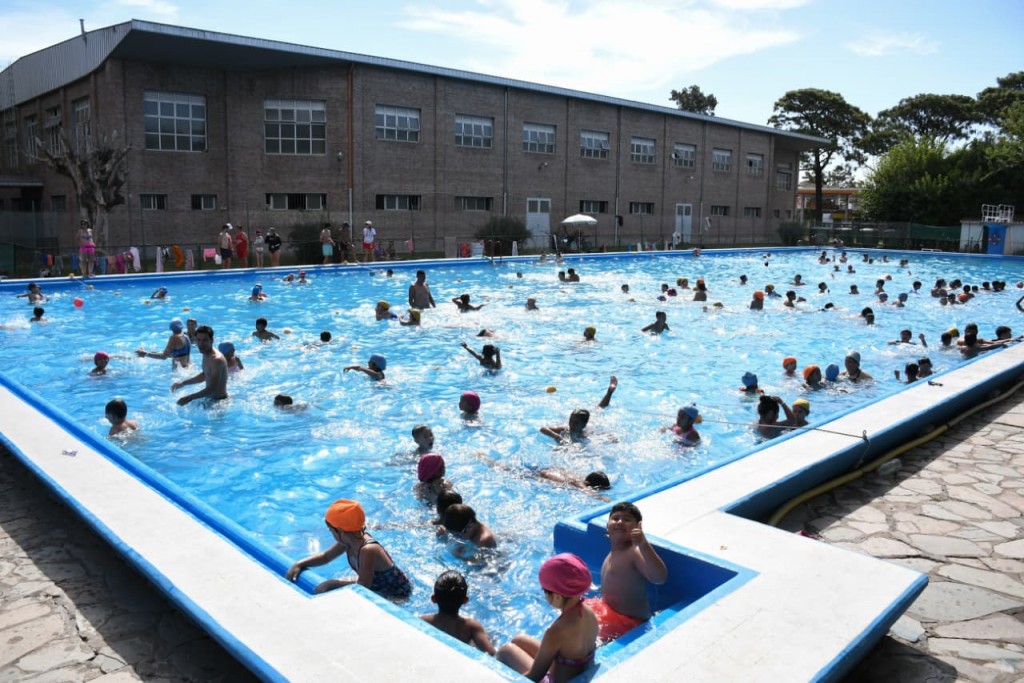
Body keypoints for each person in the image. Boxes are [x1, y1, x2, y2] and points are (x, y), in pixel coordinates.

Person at [497, 553, 598, 682]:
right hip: (577, 672)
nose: (545, 595)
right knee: (519, 639)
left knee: (505, 651)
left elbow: (534, 676)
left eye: (545, 591)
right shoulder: (589, 612)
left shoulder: (557, 631)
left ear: (557, 597)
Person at [285, 499, 412, 600]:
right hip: (373, 583)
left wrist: (333, 584)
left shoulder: (368, 549)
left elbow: (364, 586)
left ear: (340, 531)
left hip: (395, 591)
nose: (331, 534)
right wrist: (299, 564)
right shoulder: (347, 541)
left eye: (331, 531)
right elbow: (326, 557)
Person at [583, 502, 667, 643]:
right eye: (615, 518)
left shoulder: (634, 552)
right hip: (606, 610)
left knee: (579, 636)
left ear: (637, 528)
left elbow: (659, 578)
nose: (620, 522)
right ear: (607, 527)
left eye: (627, 519)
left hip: (628, 621)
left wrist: (643, 544)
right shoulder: (611, 554)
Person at [420, 571, 496, 655]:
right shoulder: (471, 627)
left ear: (433, 599)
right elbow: (491, 653)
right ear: (465, 600)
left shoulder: (424, 621)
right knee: (489, 637)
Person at [541, 376, 617, 443]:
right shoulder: (565, 429)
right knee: (598, 409)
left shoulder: (586, 434)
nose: (571, 424)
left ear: (584, 425)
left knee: (598, 410)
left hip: (590, 425)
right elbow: (543, 429)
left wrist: (612, 438)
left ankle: (609, 392)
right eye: (571, 420)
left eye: (576, 423)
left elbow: (605, 435)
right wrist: (555, 436)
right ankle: (609, 392)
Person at [171, 326, 228, 406]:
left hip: (219, 403)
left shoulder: (216, 360)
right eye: (199, 340)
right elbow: (205, 374)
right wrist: (183, 383)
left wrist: (189, 398)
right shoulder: (206, 353)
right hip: (210, 399)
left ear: (212, 340)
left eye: (205, 340)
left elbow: (213, 388)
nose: (201, 344)